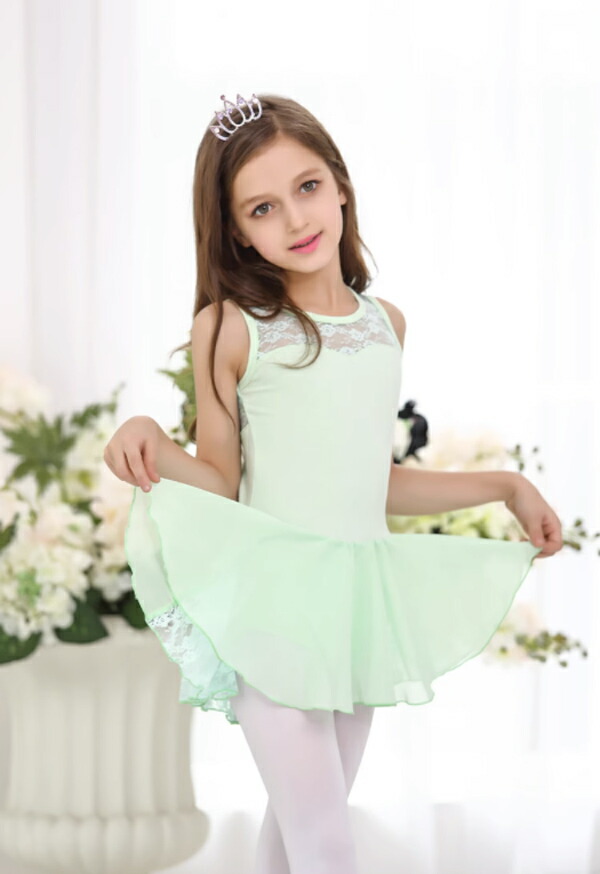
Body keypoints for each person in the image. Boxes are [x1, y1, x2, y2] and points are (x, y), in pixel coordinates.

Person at [104, 92, 563, 874]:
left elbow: (370, 483)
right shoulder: (230, 327)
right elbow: (219, 479)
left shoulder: (385, 324)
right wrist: (148, 433)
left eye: (307, 187)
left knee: (295, 839)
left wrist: (506, 486)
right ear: (237, 231)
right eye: (263, 208)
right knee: (326, 843)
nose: (295, 219)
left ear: (341, 185)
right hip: (272, 607)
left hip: (353, 611)